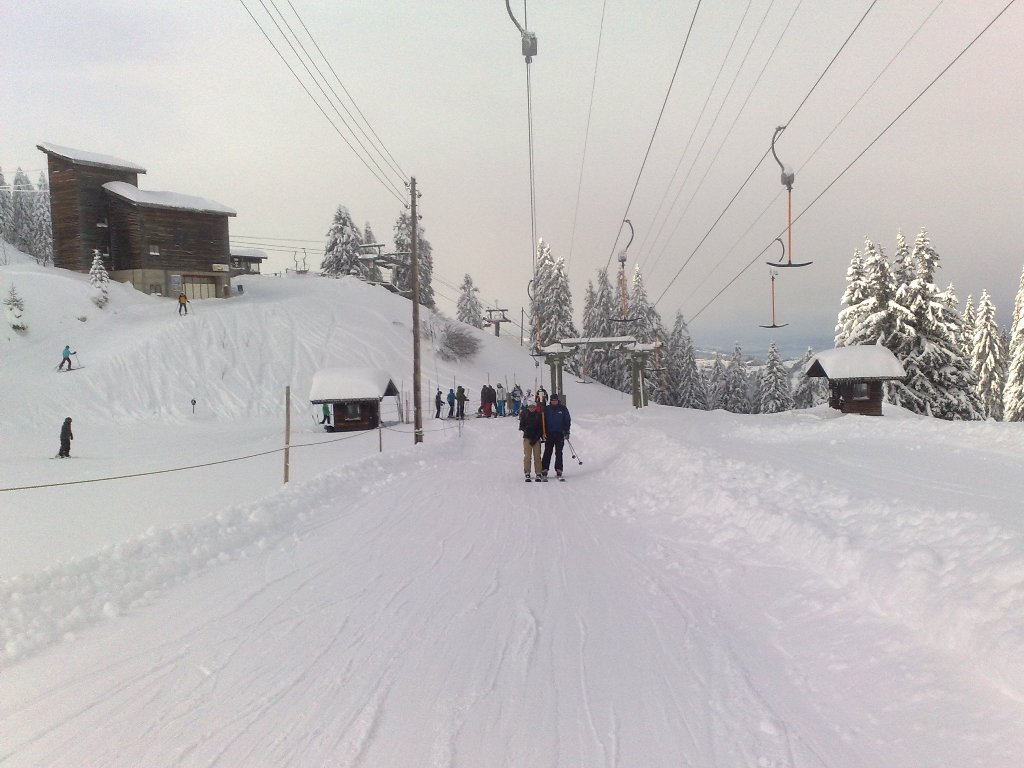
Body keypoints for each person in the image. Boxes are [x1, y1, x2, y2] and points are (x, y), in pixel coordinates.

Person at [541, 392, 571, 480]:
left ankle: (559, 469)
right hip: (549, 433)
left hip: (559, 433)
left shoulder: (563, 409)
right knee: (547, 451)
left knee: (559, 452)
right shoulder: (547, 409)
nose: (554, 402)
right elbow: (542, 420)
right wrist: (543, 432)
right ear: (550, 401)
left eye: (555, 400)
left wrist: (566, 431)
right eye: (553, 400)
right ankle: (544, 469)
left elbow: (567, 420)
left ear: (558, 400)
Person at [519, 397, 544, 481]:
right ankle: (527, 472)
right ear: (528, 407)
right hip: (527, 438)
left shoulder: (538, 415)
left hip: (536, 438)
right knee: (527, 456)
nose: (532, 408)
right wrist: (527, 430)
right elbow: (521, 426)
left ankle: (538, 472)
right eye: (530, 407)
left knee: (537, 456)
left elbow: (541, 427)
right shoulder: (525, 414)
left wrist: (537, 436)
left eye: (533, 407)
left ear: (535, 407)